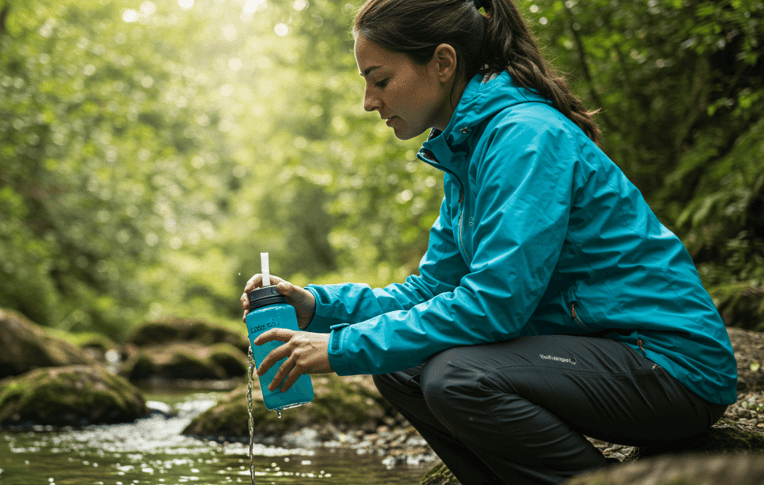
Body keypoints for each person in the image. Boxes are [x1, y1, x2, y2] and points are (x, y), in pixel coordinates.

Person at [239, 0, 738, 483]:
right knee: (399, 367)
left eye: (380, 79)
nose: (370, 101)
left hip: (670, 366)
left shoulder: (525, 137)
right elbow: (430, 291)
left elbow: (495, 305)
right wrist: (316, 308)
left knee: (455, 376)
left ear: (442, 62)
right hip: (603, 355)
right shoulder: (469, 150)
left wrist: (339, 347)